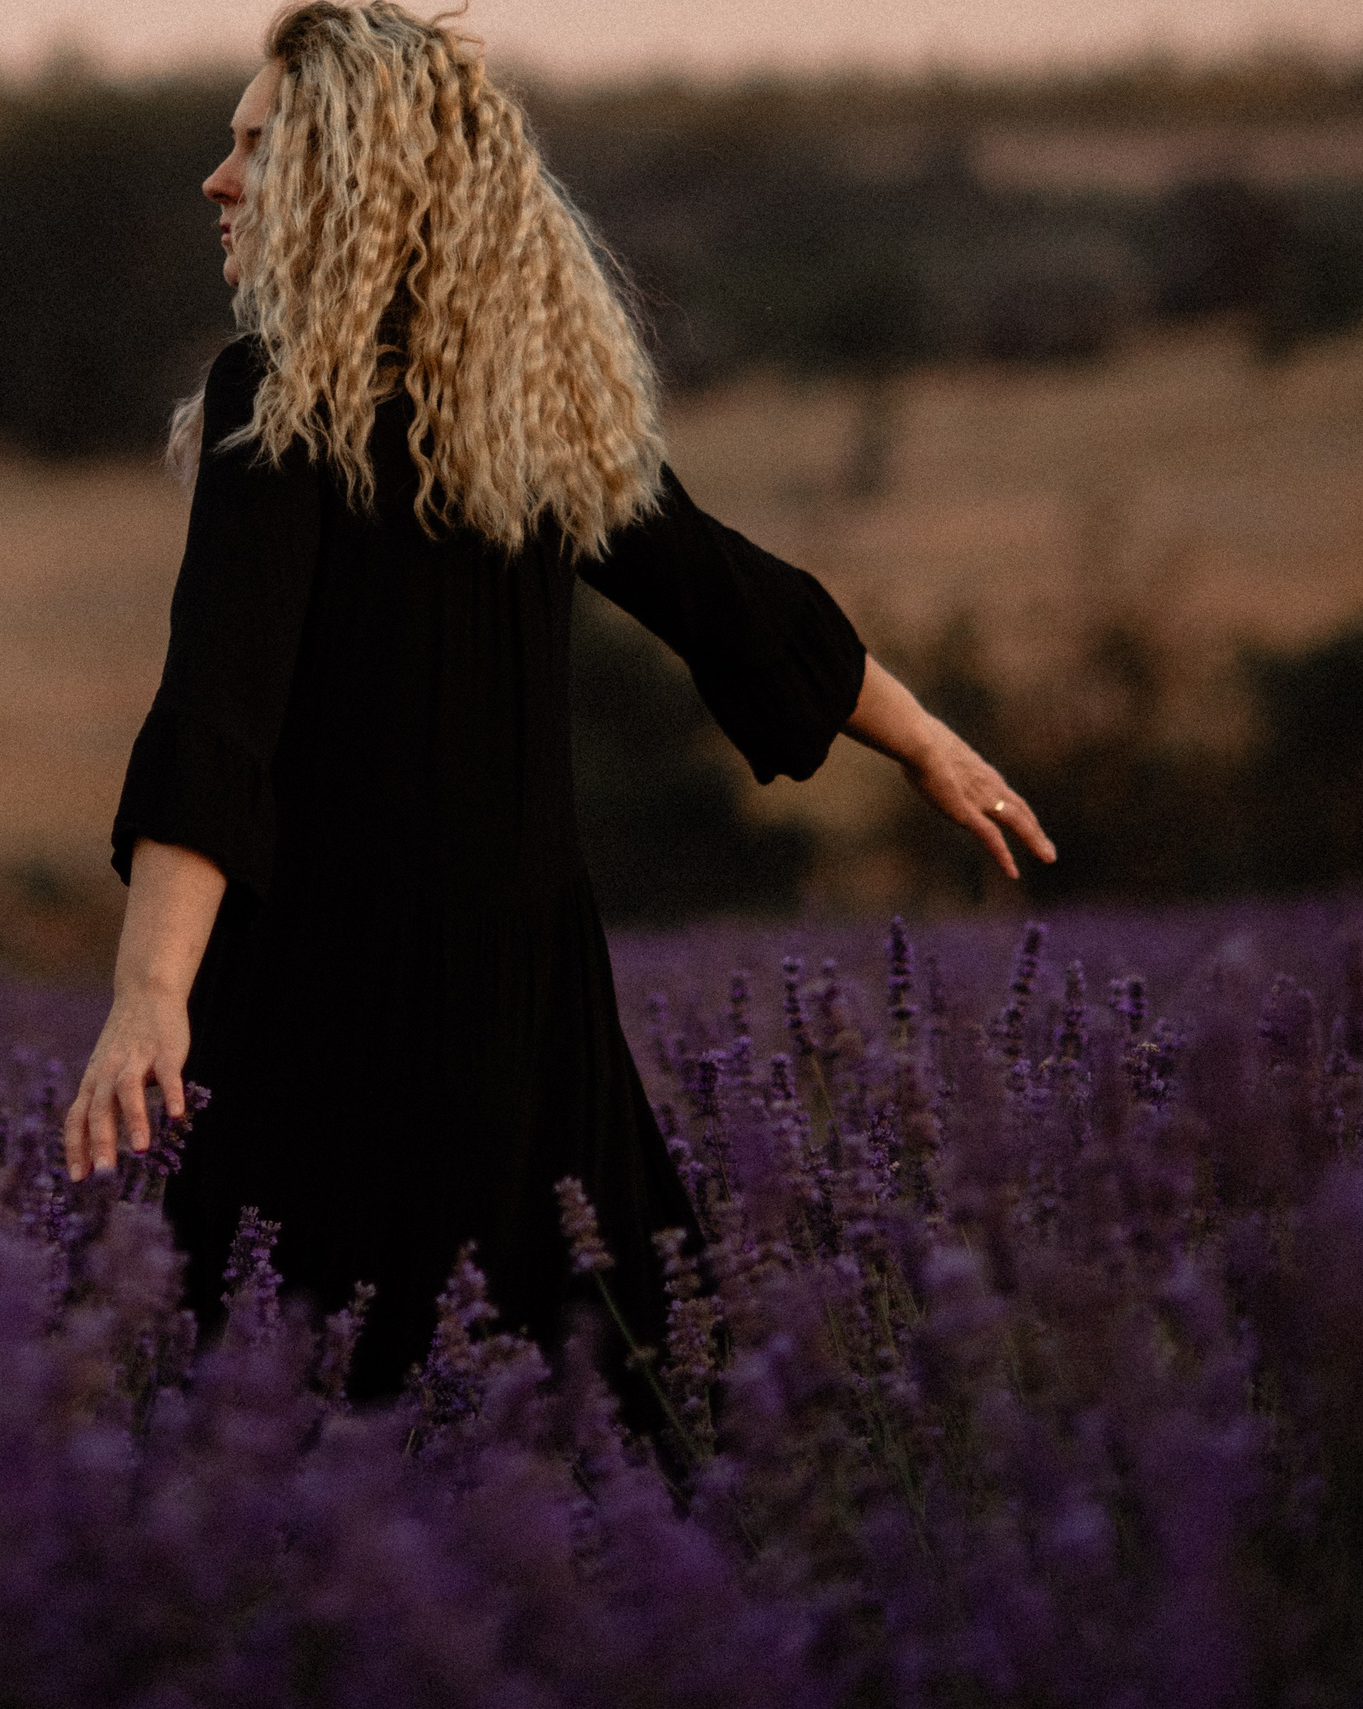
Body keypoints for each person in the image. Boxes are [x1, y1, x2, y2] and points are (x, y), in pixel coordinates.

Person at [60, 1, 1056, 1407]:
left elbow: (218, 719)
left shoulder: (270, 402)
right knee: (641, 1414)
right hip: (526, 1022)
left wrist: (150, 991)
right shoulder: (519, 412)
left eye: (259, 147)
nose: (218, 181)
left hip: (321, 1020)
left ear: (353, 177)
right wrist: (919, 734)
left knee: (285, 1447)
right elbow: (726, 593)